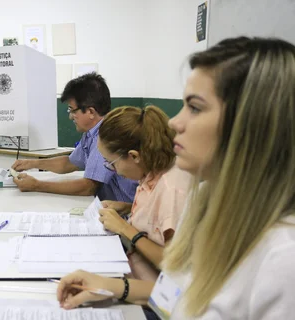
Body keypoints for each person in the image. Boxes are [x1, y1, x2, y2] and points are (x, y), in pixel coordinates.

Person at [56, 36, 295, 319]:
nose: (174, 122)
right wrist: (110, 286)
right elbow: (177, 295)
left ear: (251, 125)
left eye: (194, 107)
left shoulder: (283, 257)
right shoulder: (206, 201)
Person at [97, 105, 192, 282]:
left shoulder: (171, 188)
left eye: (112, 163)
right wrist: (126, 208)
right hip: (133, 273)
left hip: (152, 295)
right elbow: (156, 219)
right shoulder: (151, 171)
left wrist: (124, 228)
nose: (113, 170)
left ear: (134, 156)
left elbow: (174, 264)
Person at [11, 73, 138, 203]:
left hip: (125, 213)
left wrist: (37, 185)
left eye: (73, 110)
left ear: (90, 112)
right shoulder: (90, 134)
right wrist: (32, 163)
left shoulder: (105, 135)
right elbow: (69, 163)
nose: (71, 116)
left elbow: (89, 187)